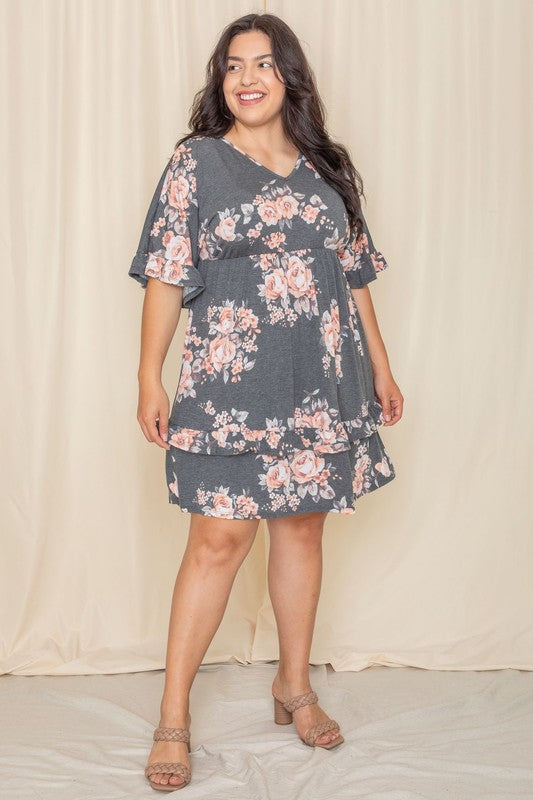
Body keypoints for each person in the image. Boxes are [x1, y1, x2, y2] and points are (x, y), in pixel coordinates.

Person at [129, 12, 403, 792]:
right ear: (221, 81)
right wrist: (150, 374)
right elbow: (164, 271)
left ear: (290, 79)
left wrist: (381, 368)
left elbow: (354, 282)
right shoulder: (198, 162)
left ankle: (293, 687)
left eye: (264, 65)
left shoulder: (324, 171)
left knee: (301, 531)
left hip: (322, 378)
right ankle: (173, 715)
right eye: (233, 66)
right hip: (228, 380)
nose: (247, 78)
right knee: (218, 539)